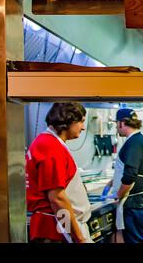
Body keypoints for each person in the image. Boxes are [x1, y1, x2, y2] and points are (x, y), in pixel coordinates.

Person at [26, 102, 93, 243]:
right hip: (55, 229)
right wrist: (78, 237)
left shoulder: (47, 142)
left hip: (58, 226)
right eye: (81, 121)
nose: (83, 127)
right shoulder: (51, 147)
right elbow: (57, 199)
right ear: (68, 120)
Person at [102, 108, 143, 243]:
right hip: (142, 202)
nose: (116, 128)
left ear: (121, 123)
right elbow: (133, 169)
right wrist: (112, 182)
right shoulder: (140, 140)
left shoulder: (134, 142)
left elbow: (130, 174)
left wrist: (118, 194)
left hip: (136, 203)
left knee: (136, 241)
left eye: (116, 124)